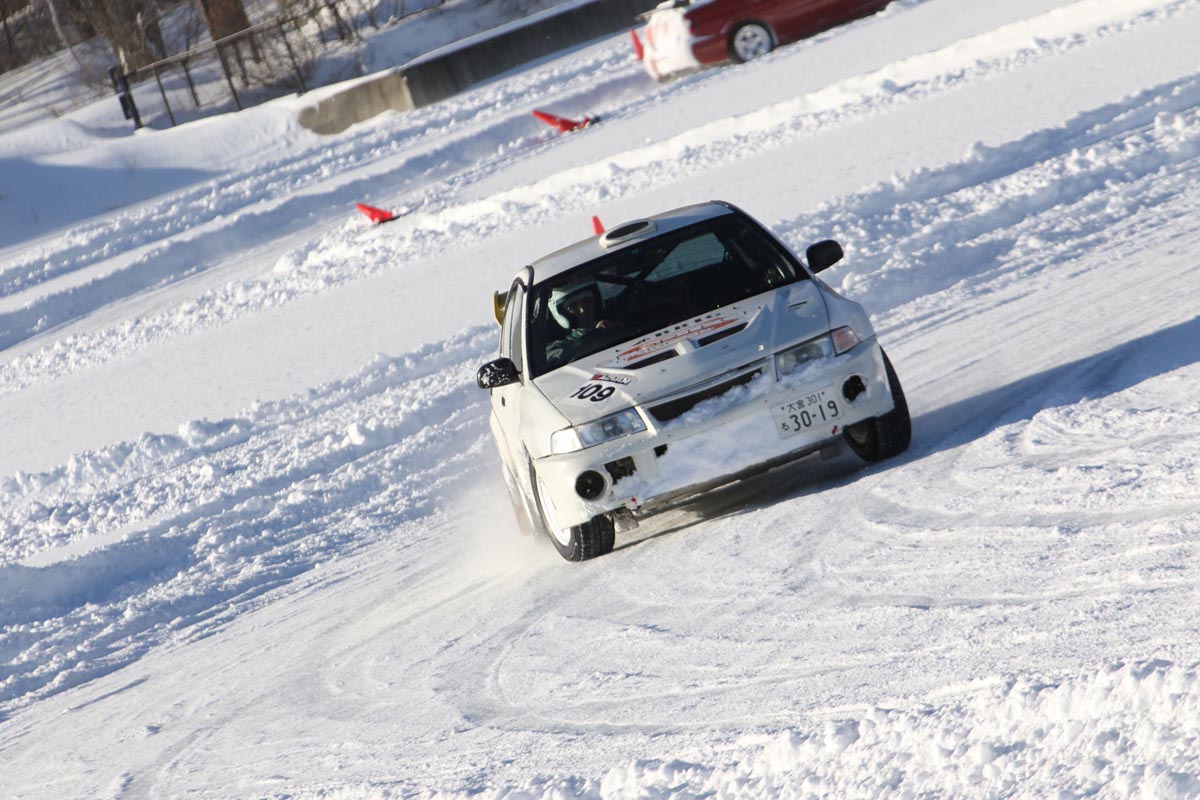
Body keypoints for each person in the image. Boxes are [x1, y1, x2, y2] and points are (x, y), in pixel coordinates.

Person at [544, 280, 622, 367]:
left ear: (596, 301)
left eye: (587, 301)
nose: (582, 310)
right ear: (562, 313)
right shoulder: (560, 348)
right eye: (573, 306)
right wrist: (596, 335)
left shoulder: (617, 324)